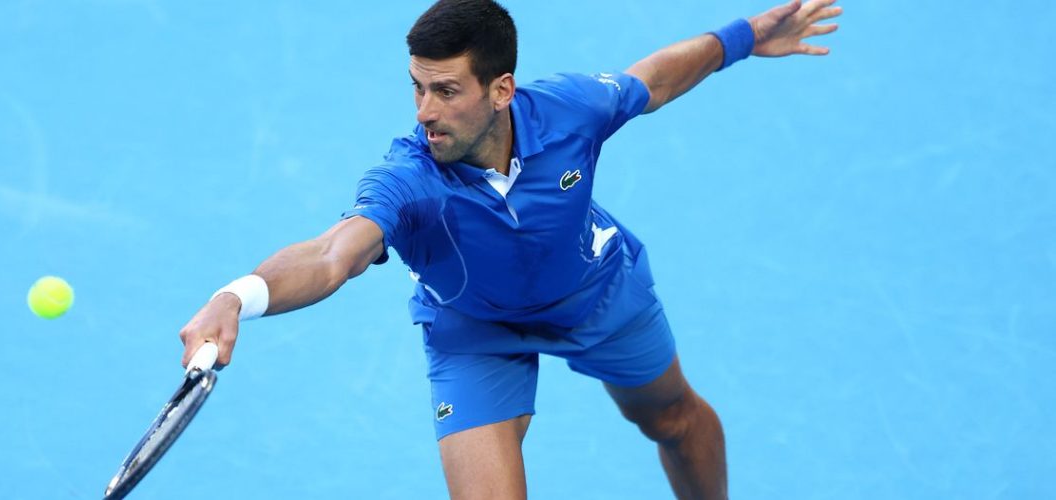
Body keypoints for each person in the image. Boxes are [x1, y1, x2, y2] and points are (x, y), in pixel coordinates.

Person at [179, 0, 840, 498]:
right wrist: (238, 295)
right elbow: (332, 255)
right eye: (417, 86)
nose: (424, 112)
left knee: (674, 419)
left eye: (446, 90)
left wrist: (745, 38)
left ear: (501, 90)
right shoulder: (406, 177)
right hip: (475, 330)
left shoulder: (570, 109)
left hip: (596, 295)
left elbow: (654, 80)